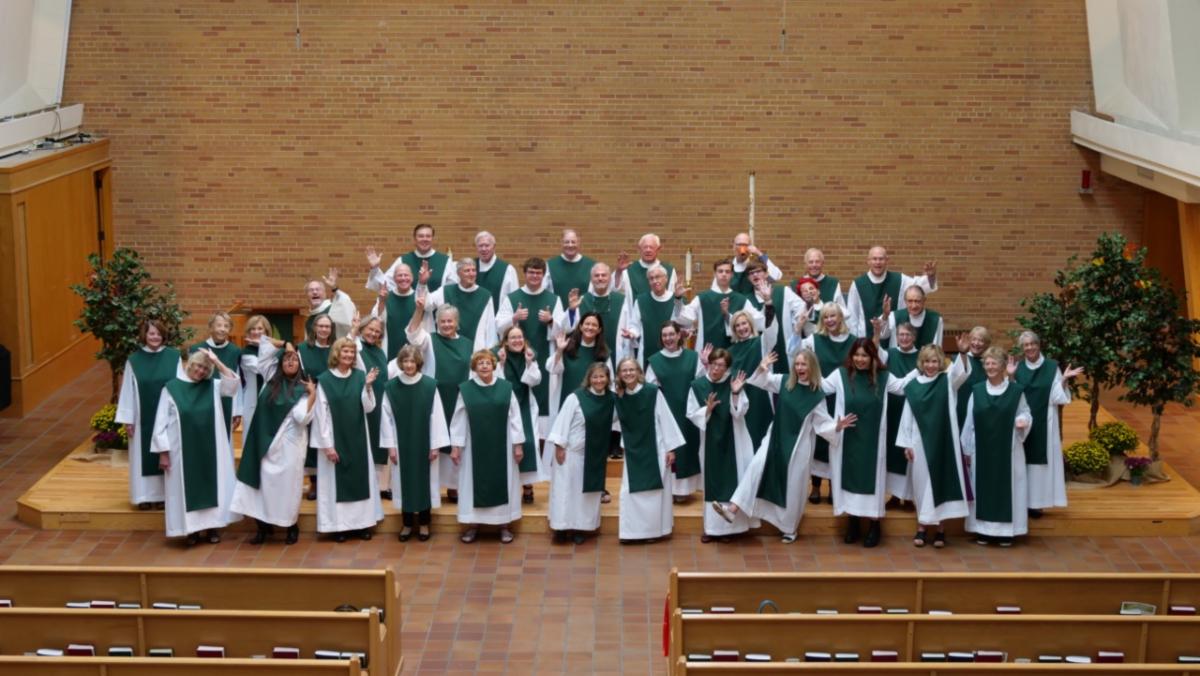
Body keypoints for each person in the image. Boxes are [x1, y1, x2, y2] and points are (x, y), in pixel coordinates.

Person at [714, 349, 850, 543]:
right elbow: (761, 381)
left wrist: (836, 426)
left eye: (804, 364)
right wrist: (762, 368)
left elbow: (822, 424)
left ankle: (789, 529)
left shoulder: (817, 395)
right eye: (797, 364)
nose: (800, 367)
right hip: (774, 438)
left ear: (812, 366)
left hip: (798, 448)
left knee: (792, 488)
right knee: (756, 468)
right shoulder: (785, 382)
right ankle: (732, 509)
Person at [820, 338, 915, 547]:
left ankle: (874, 525)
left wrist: (920, 368)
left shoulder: (883, 377)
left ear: (873, 357)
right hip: (847, 439)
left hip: (873, 441)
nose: (860, 359)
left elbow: (902, 387)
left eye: (864, 355)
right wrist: (804, 368)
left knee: (874, 480)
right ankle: (852, 523)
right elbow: (820, 388)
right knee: (848, 479)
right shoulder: (841, 375)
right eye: (856, 355)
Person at [151, 349, 240, 545]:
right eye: (198, 366)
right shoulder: (171, 388)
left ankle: (212, 528)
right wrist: (163, 453)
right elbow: (160, 423)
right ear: (190, 364)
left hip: (211, 449)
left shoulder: (213, 386)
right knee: (185, 490)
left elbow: (232, 384)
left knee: (213, 485)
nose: (201, 371)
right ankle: (192, 531)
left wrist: (216, 361)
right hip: (181, 452)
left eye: (205, 369)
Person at [230, 346, 316, 545]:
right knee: (263, 488)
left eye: (294, 359)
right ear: (280, 364)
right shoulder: (270, 384)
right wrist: (285, 343)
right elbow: (266, 349)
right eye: (286, 359)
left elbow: (301, 418)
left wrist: (312, 395)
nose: (290, 362)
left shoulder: (303, 388)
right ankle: (262, 527)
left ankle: (291, 526)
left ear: (299, 364)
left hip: (290, 446)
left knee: (287, 488)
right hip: (265, 445)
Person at [896, 337, 973, 548]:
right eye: (927, 361)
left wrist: (962, 353)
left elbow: (961, 373)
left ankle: (940, 529)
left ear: (940, 363)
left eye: (935, 361)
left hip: (944, 441)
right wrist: (906, 444)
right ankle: (921, 527)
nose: (931, 365)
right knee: (922, 485)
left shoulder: (947, 381)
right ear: (921, 363)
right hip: (919, 442)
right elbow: (907, 416)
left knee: (941, 482)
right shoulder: (913, 386)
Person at [793, 303, 868, 505]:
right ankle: (816, 486)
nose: (829, 320)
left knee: (841, 441)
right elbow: (795, 352)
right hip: (820, 397)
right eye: (825, 317)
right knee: (819, 441)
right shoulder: (814, 340)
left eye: (833, 316)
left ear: (841, 318)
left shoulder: (854, 342)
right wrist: (797, 330)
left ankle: (836, 485)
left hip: (845, 398)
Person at [450, 350, 527, 544]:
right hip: (473, 448)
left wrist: (518, 445)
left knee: (505, 481)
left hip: (503, 447)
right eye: (480, 363)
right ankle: (473, 525)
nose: (484, 366)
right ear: (474, 367)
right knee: (471, 484)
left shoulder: (506, 388)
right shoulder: (466, 389)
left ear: (494, 365)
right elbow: (458, 419)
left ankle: (504, 525)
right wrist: (456, 446)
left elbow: (516, 418)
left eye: (487, 362)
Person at [311, 337, 383, 542]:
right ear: (337, 353)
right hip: (335, 440)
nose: (349, 355)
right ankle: (338, 527)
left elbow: (369, 407)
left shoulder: (360, 376)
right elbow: (321, 414)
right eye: (345, 351)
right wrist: (327, 445)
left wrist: (368, 386)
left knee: (361, 479)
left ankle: (362, 525)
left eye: (352, 352)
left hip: (358, 438)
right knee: (335, 484)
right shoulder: (325, 380)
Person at [961, 346, 1033, 546]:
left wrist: (1023, 421)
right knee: (981, 488)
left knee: (1009, 488)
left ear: (1002, 366)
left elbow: (1025, 412)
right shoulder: (977, 391)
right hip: (981, 450)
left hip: (1009, 450)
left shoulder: (1016, 391)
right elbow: (969, 422)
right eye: (987, 363)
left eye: (994, 363)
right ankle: (982, 530)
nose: (990, 367)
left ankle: (1006, 532)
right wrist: (966, 449)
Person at [406, 296, 474, 504]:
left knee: (457, 439)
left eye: (450, 321)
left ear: (457, 322)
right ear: (436, 322)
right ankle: (433, 487)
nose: (446, 324)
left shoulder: (468, 344)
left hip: (460, 397)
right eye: (442, 321)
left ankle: (454, 487)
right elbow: (412, 334)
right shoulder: (430, 339)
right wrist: (419, 310)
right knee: (436, 439)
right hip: (435, 397)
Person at [380, 344, 451, 542]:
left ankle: (425, 524)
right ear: (400, 363)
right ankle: (407, 524)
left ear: (418, 362)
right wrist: (391, 447)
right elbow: (386, 419)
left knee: (425, 483)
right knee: (404, 484)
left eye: (412, 361)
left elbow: (437, 416)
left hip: (425, 444)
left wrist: (435, 445)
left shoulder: (429, 385)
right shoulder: (391, 387)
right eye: (405, 361)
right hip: (400, 445)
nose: (409, 365)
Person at [1012, 330, 1084, 518]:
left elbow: (1057, 397)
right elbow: (1011, 393)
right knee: (1021, 461)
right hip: (1021, 423)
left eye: (1032, 344)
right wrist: (1010, 377)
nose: (1029, 348)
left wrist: (1064, 380)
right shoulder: (1017, 368)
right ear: (1022, 348)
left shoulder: (1052, 367)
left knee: (1039, 465)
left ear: (1039, 345)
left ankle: (1036, 504)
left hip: (1045, 423)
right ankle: (1021, 502)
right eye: (1026, 345)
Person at [687, 349, 756, 542]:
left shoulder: (733, 383)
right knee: (712, 482)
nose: (716, 369)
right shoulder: (698, 385)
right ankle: (711, 529)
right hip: (709, 440)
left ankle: (729, 530)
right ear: (708, 364)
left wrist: (735, 393)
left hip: (735, 439)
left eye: (721, 366)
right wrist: (707, 410)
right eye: (714, 364)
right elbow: (691, 414)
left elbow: (740, 412)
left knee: (734, 477)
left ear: (727, 368)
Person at [613, 358, 685, 543]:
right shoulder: (619, 396)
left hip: (656, 447)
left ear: (639, 372)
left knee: (653, 492)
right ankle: (632, 533)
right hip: (632, 450)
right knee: (630, 491)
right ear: (619, 374)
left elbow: (665, 418)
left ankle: (652, 532)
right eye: (624, 370)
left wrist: (671, 448)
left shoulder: (652, 392)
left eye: (631, 369)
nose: (628, 373)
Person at [116, 319, 183, 510]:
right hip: (141, 418)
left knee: (167, 454)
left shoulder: (174, 357)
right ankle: (143, 496)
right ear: (144, 335)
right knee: (141, 455)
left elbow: (181, 385)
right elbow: (127, 390)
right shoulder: (134, 360)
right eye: (151, 333)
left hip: (169, 417)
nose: (155, 337)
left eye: (159, 334)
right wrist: (128, 419)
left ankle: (164, 496)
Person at [547, 362, 615, 544]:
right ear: (589, 379)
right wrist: (559, 446)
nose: (599, 380)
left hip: (594, 454)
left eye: (602, 376)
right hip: (570, 452)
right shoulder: (576, 397)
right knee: (565, 491)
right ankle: (561, 528)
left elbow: (617, 418)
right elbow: (563, 421)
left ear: (608, 379)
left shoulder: (611, 399)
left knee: (586, 495)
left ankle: (580, 528)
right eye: (595, 376)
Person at [497, 257, 564, 438]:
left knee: (544, 404)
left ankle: (541, 444)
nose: (534, 276)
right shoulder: (512, 298)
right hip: (515, 360)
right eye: (531, 272)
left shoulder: (554, 299)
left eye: (538, 273)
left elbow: (563, 331)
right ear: (525, 274)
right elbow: (498, 326)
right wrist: (514, 318)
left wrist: (551, 321)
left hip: (544, 355)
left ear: (543, 275)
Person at [645, 321, 706, 502]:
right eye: (664, 335)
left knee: (687, 448)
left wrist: (706, 365)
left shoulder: (693, 357)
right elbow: (649, 389)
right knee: (670, 447)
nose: (668, 338)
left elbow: (702, 382)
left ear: (679, 335)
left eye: (671, 334)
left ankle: (684, 490)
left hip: (689, 410)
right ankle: (669, 489)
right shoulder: (655, 361)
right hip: (666, 410)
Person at [497, 325, 546, 503]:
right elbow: (495, 381)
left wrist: (529, 363)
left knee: (528, 443)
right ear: (506, 341)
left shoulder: (529, 355)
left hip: (524, 403)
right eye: (513, 338)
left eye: (520, 337)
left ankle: (527, 485)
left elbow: (535, 380)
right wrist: (501, 363)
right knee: (508, 444)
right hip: (504, 405)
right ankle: (508, 485)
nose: (517, 341)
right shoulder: (498, 355)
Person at [845, 246, 936, 340]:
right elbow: (852, 317)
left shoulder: (899, 280)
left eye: (881, 259)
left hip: (894, 339)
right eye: (874, 259)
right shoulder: (858, 284)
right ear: (868, 261)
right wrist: (854, 342)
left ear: (887, 260)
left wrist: (931, 277)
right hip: (865, 340)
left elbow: (918, 288)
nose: (878, 262)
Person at [548, 312, 612, 436]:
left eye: (594, 325)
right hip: (566, 402)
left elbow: (610, 382)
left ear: (599, 330)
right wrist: (559, 350)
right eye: (587, 324)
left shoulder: (604, 353)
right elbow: (553, 369)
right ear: (581, 326)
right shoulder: (567, 347)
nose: (590, 327)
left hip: (592, 407)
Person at [351, 316, 391, 499]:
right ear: (362, 328)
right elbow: (348, 345)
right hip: (362, 400)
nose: (374, 334)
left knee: (379, 441)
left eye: (377, 331)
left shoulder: (380, 352)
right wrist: (353, 329)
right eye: (370, 329)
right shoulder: (357, 347)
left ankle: (380, 486)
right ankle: (365, 485)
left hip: (380, 401)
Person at [728, 309, 777, 457]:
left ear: (751, 324)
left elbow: (771, 331)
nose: (741, 328)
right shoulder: (729, 351)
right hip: (741, 400)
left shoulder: (761, 342)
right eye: (737, 325)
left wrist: (769, 305)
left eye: (744, 323)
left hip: (760, 397)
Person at [188, 311, 244, 441]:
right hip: (201, 400)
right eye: (219, 325)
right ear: (211, 327)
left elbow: (238, 382)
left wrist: (237, 411)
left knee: (223, 441)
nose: (222, 329)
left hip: (226, 402)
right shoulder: (196, 349)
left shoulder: (235, 351)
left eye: (226, 326)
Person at [682, 259, 760, 350]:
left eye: (727, 272)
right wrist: (678, 299)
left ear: (732, 275)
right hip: (706, 351)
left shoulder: (741, 300)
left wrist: (767, 301)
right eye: (720, 271)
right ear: (715, 274)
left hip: (733, 351)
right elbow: (685, 316)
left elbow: (758, 321)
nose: (724, 274)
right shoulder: (702, 298)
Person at [883, 322, 921, 506]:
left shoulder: (921, 356)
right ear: (896, 337)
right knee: (894, 452)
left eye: (908, 335)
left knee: (911, 453)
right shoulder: (889, 354)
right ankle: (896, 495)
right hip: (893, 408)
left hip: (914, 409)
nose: (904, 338)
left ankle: (911, 497)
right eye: (901, 335)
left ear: (914, 337)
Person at [561, 262, 626, 367]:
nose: (600, 278)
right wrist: (572, 310)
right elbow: (567, 329)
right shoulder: (582, 300)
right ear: (591, 279)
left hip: (616, 351)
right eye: (596, 275)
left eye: (603, 275)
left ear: (610, 278)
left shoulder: (622, 300)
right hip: (587, 352)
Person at [299, 314, 335, 501]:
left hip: (333, 397)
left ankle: (332, 480)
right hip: (312, 397)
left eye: (327, 326)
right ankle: (314, 482)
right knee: (313, 439)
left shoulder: (336, 348)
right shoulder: (303, 349)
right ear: (314, 328)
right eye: (320, 326)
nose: (324, 329)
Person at [425, 258, 496, 350]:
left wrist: (490, 351)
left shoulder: (485, 296)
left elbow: (490, 328)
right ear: (458, 273)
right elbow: (425, 304)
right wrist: (422, 283)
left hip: (476, 350)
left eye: (473, 270)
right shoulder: (445, 291)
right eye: (467, 271)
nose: (471, 274)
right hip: (447, 349)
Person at [622, 264, 685, 366]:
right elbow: (635, 325)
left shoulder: (676, 299)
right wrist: (631, 333)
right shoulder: (641, 300)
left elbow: (681, 320)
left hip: (672, 351)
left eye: (658, 277)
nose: (655, 281)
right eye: (651, 278)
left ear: (666, 278)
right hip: (647, 352)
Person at [366, 223, 456, 294]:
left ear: (432, 238)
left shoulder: (445, 261)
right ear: (415, 239)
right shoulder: (403, 260)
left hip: (437, 311)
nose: (424, 239)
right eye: (421, 236)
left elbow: (452, 290)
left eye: (428, 236)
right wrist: (375, 268)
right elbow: (386, 285)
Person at [238, 315, 285, 437]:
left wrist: (266, 344)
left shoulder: (273, 349)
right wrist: (269, 347)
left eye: (260, 328)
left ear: (266, 331)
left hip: (273, 398)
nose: (256, 332)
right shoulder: (246, 352)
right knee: (252, 436)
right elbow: (263, 368)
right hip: (253, 401)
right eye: (252, 329)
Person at [370, 262, 418, 361]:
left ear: (412, 278)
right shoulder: (385, 297)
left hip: (415, 349)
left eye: (406, 275)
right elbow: (376, 321)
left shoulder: (419, 297)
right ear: (394, 279)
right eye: (400, 275)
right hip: (390, 349)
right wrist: (382, 302)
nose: (403, 278)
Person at [615, 233, 679, 299]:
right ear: (639, 249)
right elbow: (615, 289)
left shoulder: (669, 270)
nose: (648, 250)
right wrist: (619, 271)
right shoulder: (629, 269)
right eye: (645, 247)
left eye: (651, 247)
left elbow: (673, 297)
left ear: (658, 249)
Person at [882, 285, 943, 351]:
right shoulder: (894, 316)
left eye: (917, 301)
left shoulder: (936, 320)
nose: (914, 306)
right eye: (910, 301)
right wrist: (885, 315)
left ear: (924, 300)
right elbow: (883, 335)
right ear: (905, 301)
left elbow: (938, 348)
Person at [545, 228, 596, 305]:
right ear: (561, 243)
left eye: (573, 242)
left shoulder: (592, 266)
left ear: (578, 243)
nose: (570, 245)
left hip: (584, 311)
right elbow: (544, 292)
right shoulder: (549, 265)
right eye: (567, 242)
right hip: (557, 311)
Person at [955, 326, 992, 429]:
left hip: (981, 407)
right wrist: (962, 353)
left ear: (987, 344)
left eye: (981, 340)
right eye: (974, 339)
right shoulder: (960, 358)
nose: (976, 343)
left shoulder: (989, 363)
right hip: (961, 405)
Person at [304, 268, 356, 339]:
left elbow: (346, 305)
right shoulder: (308, 321)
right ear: (306, 296)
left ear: (324, 293)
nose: (315, 292)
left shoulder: (333, 309)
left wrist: (334, 288)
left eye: (318, 289)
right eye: (311, 290)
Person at [474, 231, 519, 312]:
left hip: (499, 318)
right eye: (480, 246)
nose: (483, 249)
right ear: (476, 247)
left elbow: (515, 299)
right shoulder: (470, 267)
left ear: (494, 246)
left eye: (487, 245)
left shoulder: (507, 270)